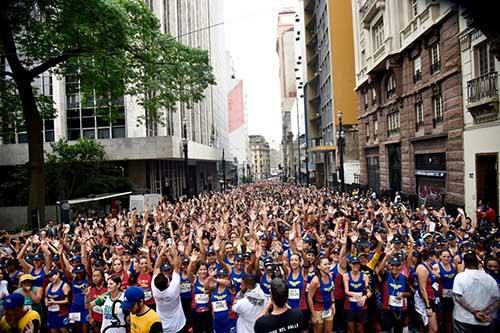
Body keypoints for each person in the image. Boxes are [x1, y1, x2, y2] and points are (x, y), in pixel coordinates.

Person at [452, 252, 500, 332]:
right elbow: (497, 300)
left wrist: (475, 312)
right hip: (483, 320)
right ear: (477, 263)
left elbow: (458, 297)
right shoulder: (490, 279)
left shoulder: (460, 277)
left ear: (465, 264)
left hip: (464, 319)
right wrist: (483, 312)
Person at [152, 244, 186, 333]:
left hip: (163, 326)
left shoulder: (155, 289)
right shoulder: (173, 289)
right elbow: (177, 267)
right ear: (168, 283)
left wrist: (161, 253)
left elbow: (156, 267)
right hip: (178, 326)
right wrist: (174, 253)